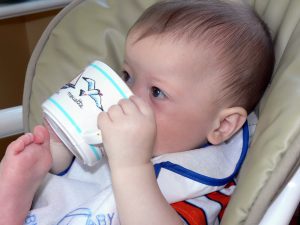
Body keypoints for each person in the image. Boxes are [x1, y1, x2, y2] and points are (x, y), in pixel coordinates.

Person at [0, 0, 274, 224]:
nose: (128, 96)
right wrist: (54, 151)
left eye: (157, 92)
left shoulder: (202, 187)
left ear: (223, 126)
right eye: (128, 75)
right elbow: (77, 177)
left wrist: (132, 167)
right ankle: (14, 198)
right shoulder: (115, 134)